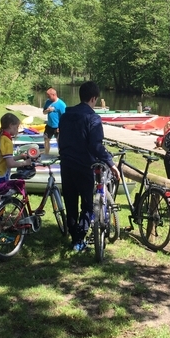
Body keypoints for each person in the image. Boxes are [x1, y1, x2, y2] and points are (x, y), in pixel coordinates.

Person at [58, 81, 120, 252]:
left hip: (66, 164)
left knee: (70, 202)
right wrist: (110, 162)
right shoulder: (93, 118)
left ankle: (73, 235)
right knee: (87, 204)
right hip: (83, 165)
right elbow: (95, 146)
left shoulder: (66, 115)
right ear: (93, 98)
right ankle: (79, 240)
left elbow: (60, 139)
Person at [0, 113, 33, 210]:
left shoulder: (1, 137)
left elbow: (3, 159)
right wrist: (25, 163)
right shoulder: (7, 141)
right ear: (10, 125)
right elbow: (10, 164)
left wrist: (20, 157)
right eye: (17, 127)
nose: (18, 129)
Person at [42, 88, 66, 155]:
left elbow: (65, 117)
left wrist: (61, 127)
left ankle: (61, 155)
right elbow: (44, 112)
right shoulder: (48, 102)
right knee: (46, 140)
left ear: (53, 95)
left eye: (49, 96)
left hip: (57, 127)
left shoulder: (61, 104)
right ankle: (46, 154)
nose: (48, 97)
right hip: (49, 126)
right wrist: (48, 110)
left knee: (59, 142)